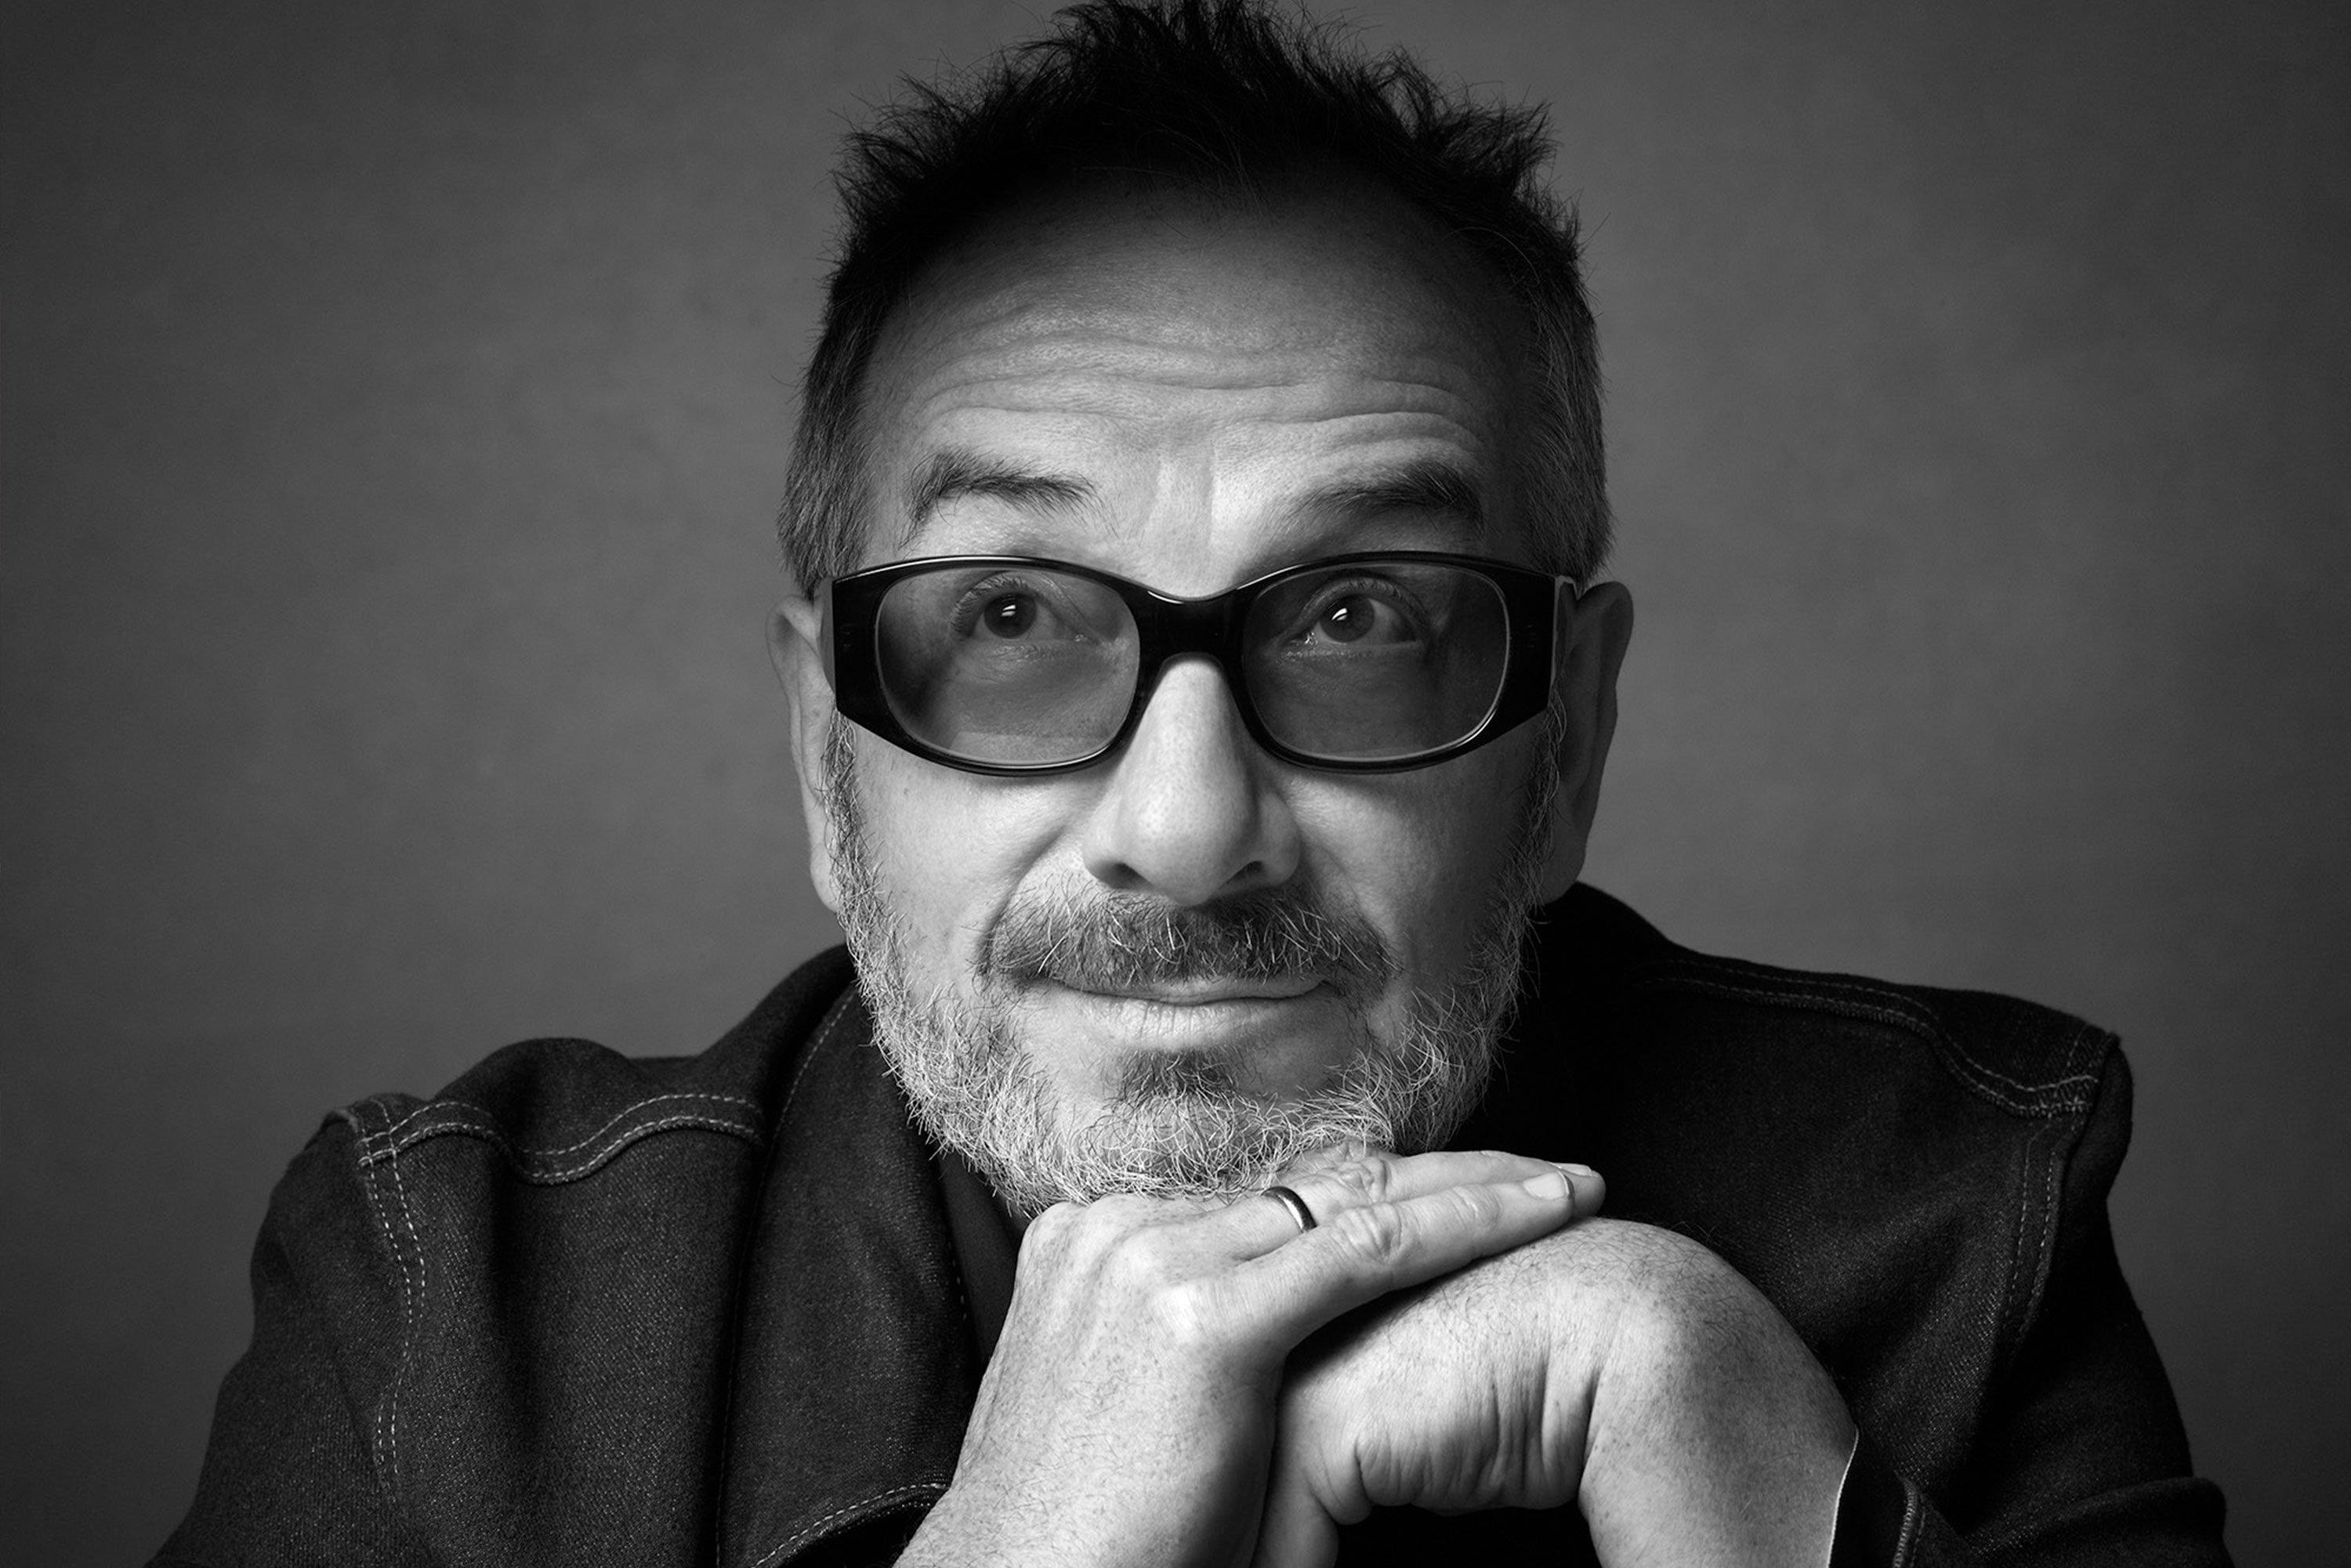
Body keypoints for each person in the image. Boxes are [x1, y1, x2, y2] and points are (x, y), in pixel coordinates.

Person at [156, 3, 2230, 1565]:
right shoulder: (453, 1317)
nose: (1183, 820)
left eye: (1359, 618)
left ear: (1567, 744)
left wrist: (1781, 1505)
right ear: (826, 755)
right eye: (1013, 623)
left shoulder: (1955, 1221)